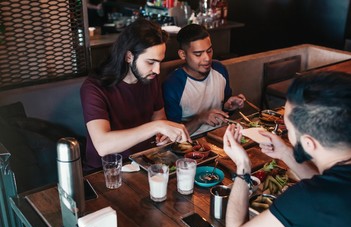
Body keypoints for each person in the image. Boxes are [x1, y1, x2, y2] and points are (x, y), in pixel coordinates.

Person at [223, 71, 351, 227]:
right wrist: (285, 153)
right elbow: (331, 187)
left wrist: (243, 167)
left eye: (289, 129)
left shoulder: (306, 198)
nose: (288, 135)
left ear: (309, 143)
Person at [80, 18, 191, 172]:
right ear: (129, 56)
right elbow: (103, 145)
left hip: (144, 162)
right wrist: (157, 126)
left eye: (159, 62)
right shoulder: (94, 87)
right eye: (151, 62)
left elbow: (159, 117)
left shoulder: (149, 78)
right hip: (106, 172)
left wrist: (162, 132)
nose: (157, 70)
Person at [162, 24, 245, 136]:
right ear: (183, 54)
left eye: (209, 51)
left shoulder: (219, 69)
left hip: (221, 135)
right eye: (198, 54)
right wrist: (200, 119)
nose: (207, 58)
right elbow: (173, 134)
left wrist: (229, 106)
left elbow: (225, 110)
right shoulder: (173, 85)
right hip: (190, 144)